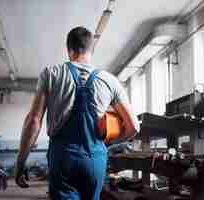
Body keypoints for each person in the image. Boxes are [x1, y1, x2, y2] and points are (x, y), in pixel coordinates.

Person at [15, 26, 139, 200]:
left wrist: (20, 162)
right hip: (95, 158)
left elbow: (34, 121)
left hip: (63, 157)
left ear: (68, 49)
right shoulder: (110, 80)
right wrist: (106, 145)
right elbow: (133, 127)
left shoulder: (52, 74)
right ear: (91, 49)